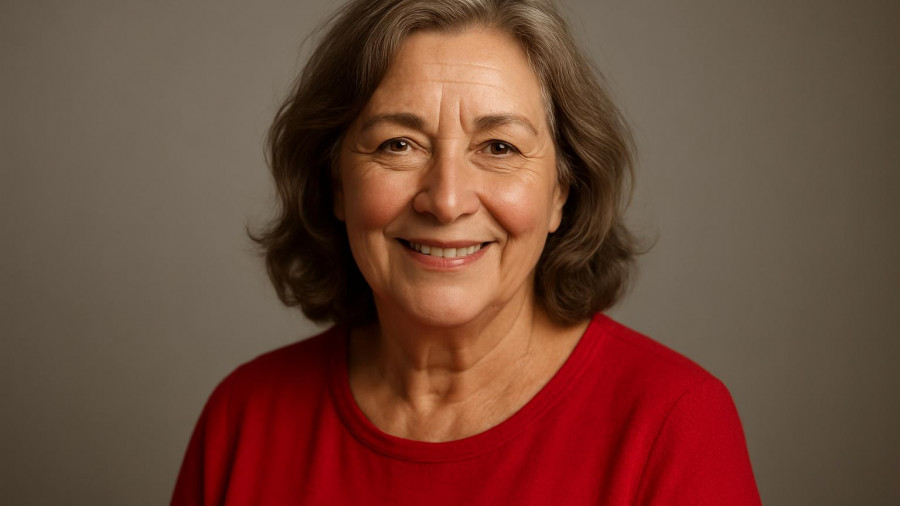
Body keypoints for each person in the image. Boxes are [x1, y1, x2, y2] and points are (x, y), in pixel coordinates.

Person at [172, 0, 762, 504]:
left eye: (499, 147)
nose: (447, 200)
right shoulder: (243, 420)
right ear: (335, 185)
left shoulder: (673, 425)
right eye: (398, 144)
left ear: (561, 191)